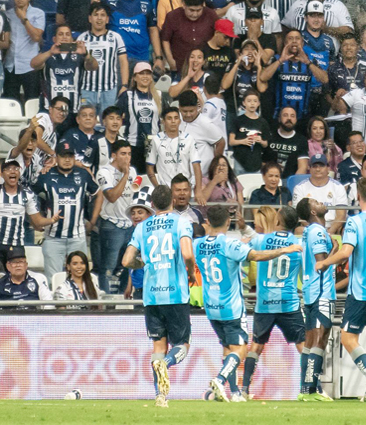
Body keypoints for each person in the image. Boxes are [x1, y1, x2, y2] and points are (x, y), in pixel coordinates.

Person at [195, 205, 301, 402]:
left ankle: (235, 392)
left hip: (211, 306)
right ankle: (220, 378)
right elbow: (256, 256)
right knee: (241, 349)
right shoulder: (230, 245)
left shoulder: (198, 244)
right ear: (228, 222)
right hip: (231, 307)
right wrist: (285, 249)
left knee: (228, 348)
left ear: (207, 222)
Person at [121, 185, 197, 409]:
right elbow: (187, 253)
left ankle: (160, 396)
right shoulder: (181, 222)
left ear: (151, 205)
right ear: (172, 200)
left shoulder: (142, 227)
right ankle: (167, 363)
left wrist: (141, 263)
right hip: (175, 294)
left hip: (151, 297)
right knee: (182, 344)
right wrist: (191, 272)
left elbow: (126, 261)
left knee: (158, 345)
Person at [314, 177, 366, 399]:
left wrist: (324, 263)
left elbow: (346, 253)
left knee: (348, 338)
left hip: (362, 290)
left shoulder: (355, 222)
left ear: (358, 195)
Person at [237, 206, 307, 401]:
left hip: (264, 304)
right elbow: (304, 275)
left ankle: (244, 389)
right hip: (289, 303)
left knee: (256, 347)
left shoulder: (261, 240)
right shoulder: (299, 245)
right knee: (303, 347)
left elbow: (243, 249)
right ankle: (310, 388)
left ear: (277, 221)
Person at [34, 141, 101, 282]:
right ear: (56, 157)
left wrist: (93, 220)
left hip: (77, 237)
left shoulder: (83, 175)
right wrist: (37, 220)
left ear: (74, 157)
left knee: (80, 278)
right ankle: (57, 304)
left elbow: (98, 193)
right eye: (63, 156)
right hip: (53, 238)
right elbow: (30, 196)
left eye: (70, 156)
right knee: (53, 280)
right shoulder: (46, 175)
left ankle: (79, 304)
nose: (67, 159)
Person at [296, 197, 337, 400]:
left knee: (310, 342)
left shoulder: (308, 232)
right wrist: (336, 249)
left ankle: (304, 390)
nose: (321, 202)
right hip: (322, 292)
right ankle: (311, 389)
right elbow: (323, 263)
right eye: (316, 202)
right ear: (313, 212)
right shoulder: (318, 231)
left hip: (311, 291)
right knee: (320, 341)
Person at [95, 140, 137, 293]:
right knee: (108, 268)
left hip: (129, 225)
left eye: (129, 154)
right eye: (123, 154)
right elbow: (112, 196)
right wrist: (125, 175)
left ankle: (121, 299)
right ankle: (106, 303)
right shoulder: (104, 172)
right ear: (114, 155)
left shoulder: (133, 171)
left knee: (127, 265)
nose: (127, 158)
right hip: (111, 225)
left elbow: (134, 194)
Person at [261, 29, 329, 124]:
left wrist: (307, 62)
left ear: (302, 43)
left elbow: (325, 79)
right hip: (279, 117)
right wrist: (281, 60)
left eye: (297, 38)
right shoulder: (277, 59)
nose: (294, 41)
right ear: (285, 42)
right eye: (290, 38)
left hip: (303, 118)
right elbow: (263, 77)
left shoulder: (310, 60)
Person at [0, 159, 56, 269]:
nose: (12, 171)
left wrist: (52, 220)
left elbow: (37, 221)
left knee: (17, 278)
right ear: (1, 174)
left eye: (16, 169)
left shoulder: (27, 194)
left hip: (16, 246)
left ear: (19, 173)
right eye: (8, 169)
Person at [77, 3, 129, 115]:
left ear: (107, 19)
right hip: (87, 89)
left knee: (108, 123)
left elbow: (123, 62)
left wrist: (124, 85)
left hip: (109, 89)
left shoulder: (116, 37)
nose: (99, 18)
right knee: (87, 122)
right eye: (96, 15)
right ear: (90, 18)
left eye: (103, 15)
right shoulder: (82, 38)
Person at [32, 27, 96, 116]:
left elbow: (94, 67)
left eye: (67, 34)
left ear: (72, 39)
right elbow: (33, 64)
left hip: (73, 111)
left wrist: (86, 54)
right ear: (54, 39)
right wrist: (50, 52)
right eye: (61, 34)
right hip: (49, 110)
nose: (64, 37)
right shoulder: (47, 56)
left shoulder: (80, 56)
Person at [108, 0, 162, 72]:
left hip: (141, 58)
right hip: (116, 59)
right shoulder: (108, 2)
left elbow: (153, 30)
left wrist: (158, 57)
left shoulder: (146, 3)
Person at [146, 107, 204, 197]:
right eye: (169, 118)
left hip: (185, 189)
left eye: (176, 118)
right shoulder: (156, 140)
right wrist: (158, 188)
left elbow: (196, 166)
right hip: (165, 191)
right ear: (163, 121)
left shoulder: (188, 139)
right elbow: (150, 168)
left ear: (180, 121)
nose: (173, 121)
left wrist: (199, 191)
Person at [4, 0, 44, 103]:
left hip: (30, 66)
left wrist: (23, 19)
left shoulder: (38, 13)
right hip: (11, 65)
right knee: (10, 104)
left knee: (32, 103)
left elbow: (36, 37)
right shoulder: (8, 14)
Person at [161, 0, 218, 72]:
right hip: (180, 65)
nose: (195, 14)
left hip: (205, 67)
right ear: (184, 5)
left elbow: (218, 36)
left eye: (198, 10)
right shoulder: (172, 16)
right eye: (191, 10)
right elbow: (165, 39)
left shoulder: (211, 15)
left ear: (203, 5)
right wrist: (170, 61)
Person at [117, 62, 160, 172]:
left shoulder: (158, 95)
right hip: (133, 146)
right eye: (141, 73)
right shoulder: (127, 95)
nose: (145, 76)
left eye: (148, 73)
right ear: (135, 77)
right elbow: (115, 115)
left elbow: (166, 118)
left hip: (155, 146)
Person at [291, 154, 347, 234]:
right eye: (314, 166)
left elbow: (341, 215)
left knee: (345, 231)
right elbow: (300, 216)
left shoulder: (338, 187)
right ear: (309, 169)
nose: (318, 169)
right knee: (298, 230)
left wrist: (330, 231)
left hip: (332, 227)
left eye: (321, 166)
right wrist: (315, 230)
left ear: (328, 168)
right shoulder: (300, 187)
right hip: (309, 226)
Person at [178, 90, 226, 177]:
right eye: (184, 111)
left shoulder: (205, 124)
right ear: (179, 108)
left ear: (197, 107)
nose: (188, 115)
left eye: (191, 111)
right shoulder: (177, 121)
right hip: (182, 175)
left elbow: (221, 142)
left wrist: (214, 167)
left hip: (203, 176)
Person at [229, 90, 270, 175]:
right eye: (249, 101)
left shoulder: (263, 122)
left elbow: (266, 144)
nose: (252, 104)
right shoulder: (237, 120)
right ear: (244, 103)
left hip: (256, 162)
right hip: (240, 161)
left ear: (258, 103)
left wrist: (260, 140)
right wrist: (243, 141)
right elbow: (231, 141)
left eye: (255, 101)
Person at [264, 106, 310, 176]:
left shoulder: (301, 140)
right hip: (269, 179)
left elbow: (302, 167)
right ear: (279, 119)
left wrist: (293, 183)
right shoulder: (269, 136)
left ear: (296, 119)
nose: (289, 118)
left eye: (292, 116)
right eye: (285, 115)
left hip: (290, 180)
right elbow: (263, 163)